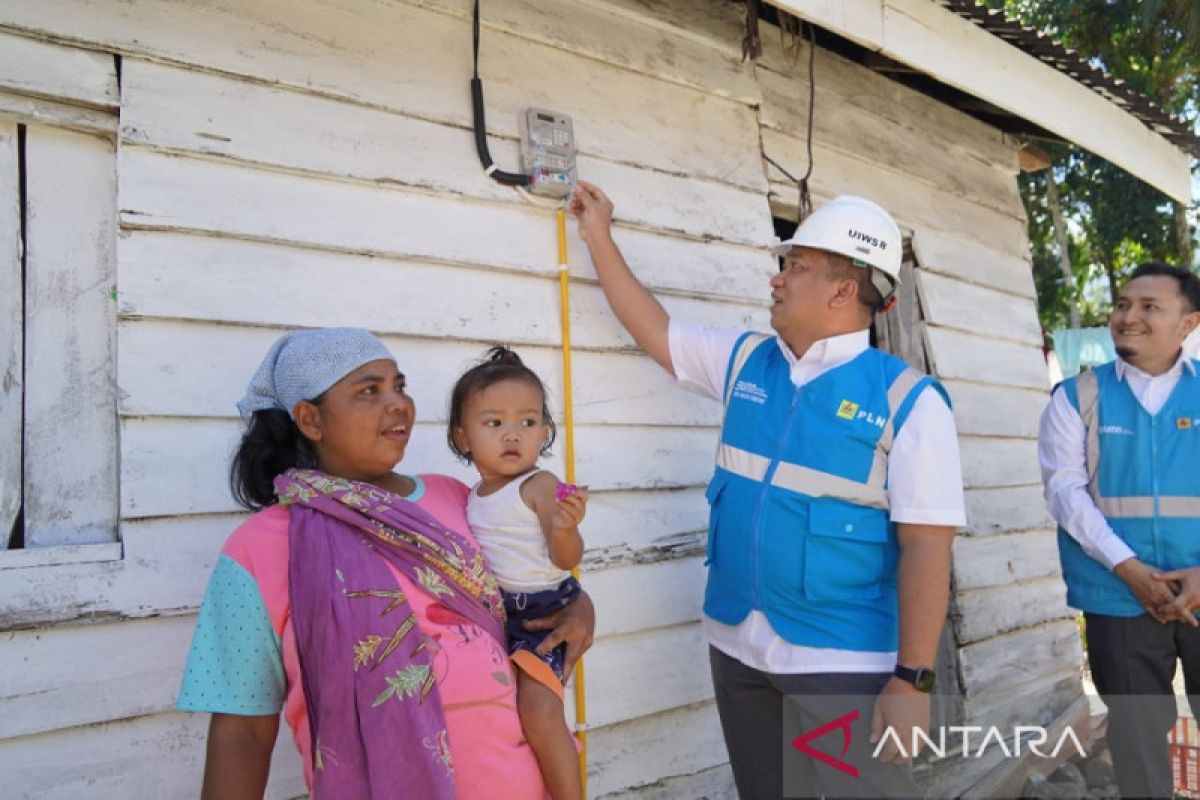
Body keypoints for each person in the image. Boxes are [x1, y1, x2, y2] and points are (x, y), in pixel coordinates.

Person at [569, 181, 964, 799]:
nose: (778, 278)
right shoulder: (746, 361)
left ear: (843, 288)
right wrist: (598, 235)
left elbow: (927, 549)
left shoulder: (909, 402)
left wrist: (912, 681)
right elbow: (657, 330)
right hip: (737, 647)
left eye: (797, 266)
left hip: (842, 666)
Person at [177, 327, 595, 800]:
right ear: (310, 419)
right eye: (369, 391)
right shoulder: (259, 548)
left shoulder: (461, 500)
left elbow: (533, 579)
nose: (397, 402)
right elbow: (242, 735)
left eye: (399, 385)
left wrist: (581, 607)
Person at [1039, 262, 1200, 799]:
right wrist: (1130, 570)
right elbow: (1066, 493)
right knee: (1136, 743)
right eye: (1123, 305)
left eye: (1149, 307)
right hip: (1116, 595)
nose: (1128, 317)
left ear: (1188, 323)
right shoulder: (1076, 397)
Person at [447, 345, 587, 800]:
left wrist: (565, 527)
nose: (513, 435)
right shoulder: (469, 497)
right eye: (494, 423)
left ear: (545, 431)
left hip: (544, 610)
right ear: (463, 437)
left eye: (528, 422)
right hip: (499, 616)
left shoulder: (541, 485)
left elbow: (566, 558)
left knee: (541, 709)